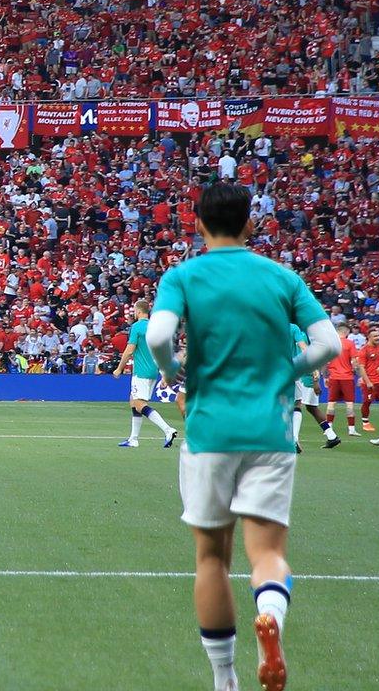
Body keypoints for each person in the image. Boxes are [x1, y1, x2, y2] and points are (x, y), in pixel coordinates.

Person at [147, 182, 337, 691]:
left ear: (199, 224)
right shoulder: (281, 276)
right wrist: (286, 370)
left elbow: (159, 336)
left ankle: (225, 680)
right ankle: (271, 612)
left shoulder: (182, 275)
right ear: (250, 223)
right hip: (270, 432)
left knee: (211, 557)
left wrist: (172, 373)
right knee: (268, 554)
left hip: (210, 432)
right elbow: (329, 344)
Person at [113, 301, 178, 448]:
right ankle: (133, 439)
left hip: (141, 372)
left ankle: (168, 429)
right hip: (152, 371)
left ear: (138, 310)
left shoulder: (136, 327)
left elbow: (129, 350)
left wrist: (119, 368)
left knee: (139, 404)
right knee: (133, 400)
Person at [288, 326, 340, 450]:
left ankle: (331, 436)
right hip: (299, 373)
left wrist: (315, 379)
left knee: (307, 407)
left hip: (303, 375)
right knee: (305, 406)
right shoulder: (298, 330)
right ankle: (331, 436)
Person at [323, 320, 361, 438]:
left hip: (334, 377)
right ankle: (351, 429)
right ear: (347, 331)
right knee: (349, 404)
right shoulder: (350, 343)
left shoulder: (331, 343)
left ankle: (329, 428)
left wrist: (325, 377)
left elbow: (324, 361)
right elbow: (355, 362)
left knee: (331, 404)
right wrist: (359, 376)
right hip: (347, 377)